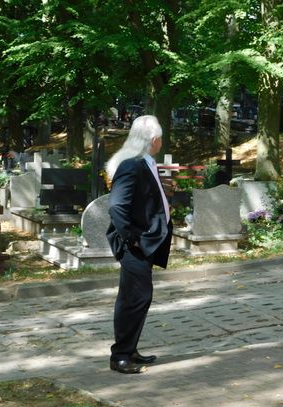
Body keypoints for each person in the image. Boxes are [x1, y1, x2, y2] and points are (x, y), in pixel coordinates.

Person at [105, 115, 173, 374]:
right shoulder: (131, 165)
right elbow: (116, 207)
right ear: (154, 139)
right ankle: (120, 356)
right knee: (136, 297)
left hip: (143, 242)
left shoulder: (143, 162)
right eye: (160, 138)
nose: (161, 142)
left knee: (134, 296)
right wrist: (132, 239)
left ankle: (129, 350)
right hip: (134, 244)